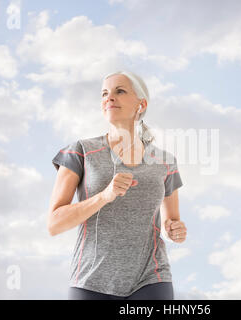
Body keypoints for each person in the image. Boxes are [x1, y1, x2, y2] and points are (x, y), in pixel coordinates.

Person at [48, 70, 187, 300]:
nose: (109, 98)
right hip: (91, 280)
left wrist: (175, 231)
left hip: (151, 279)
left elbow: (171, 222)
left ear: (141, 104)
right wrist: (105, 195)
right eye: (104, 93)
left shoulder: (166, 162)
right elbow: (54, 224)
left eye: (119, 91)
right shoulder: (81, 151)